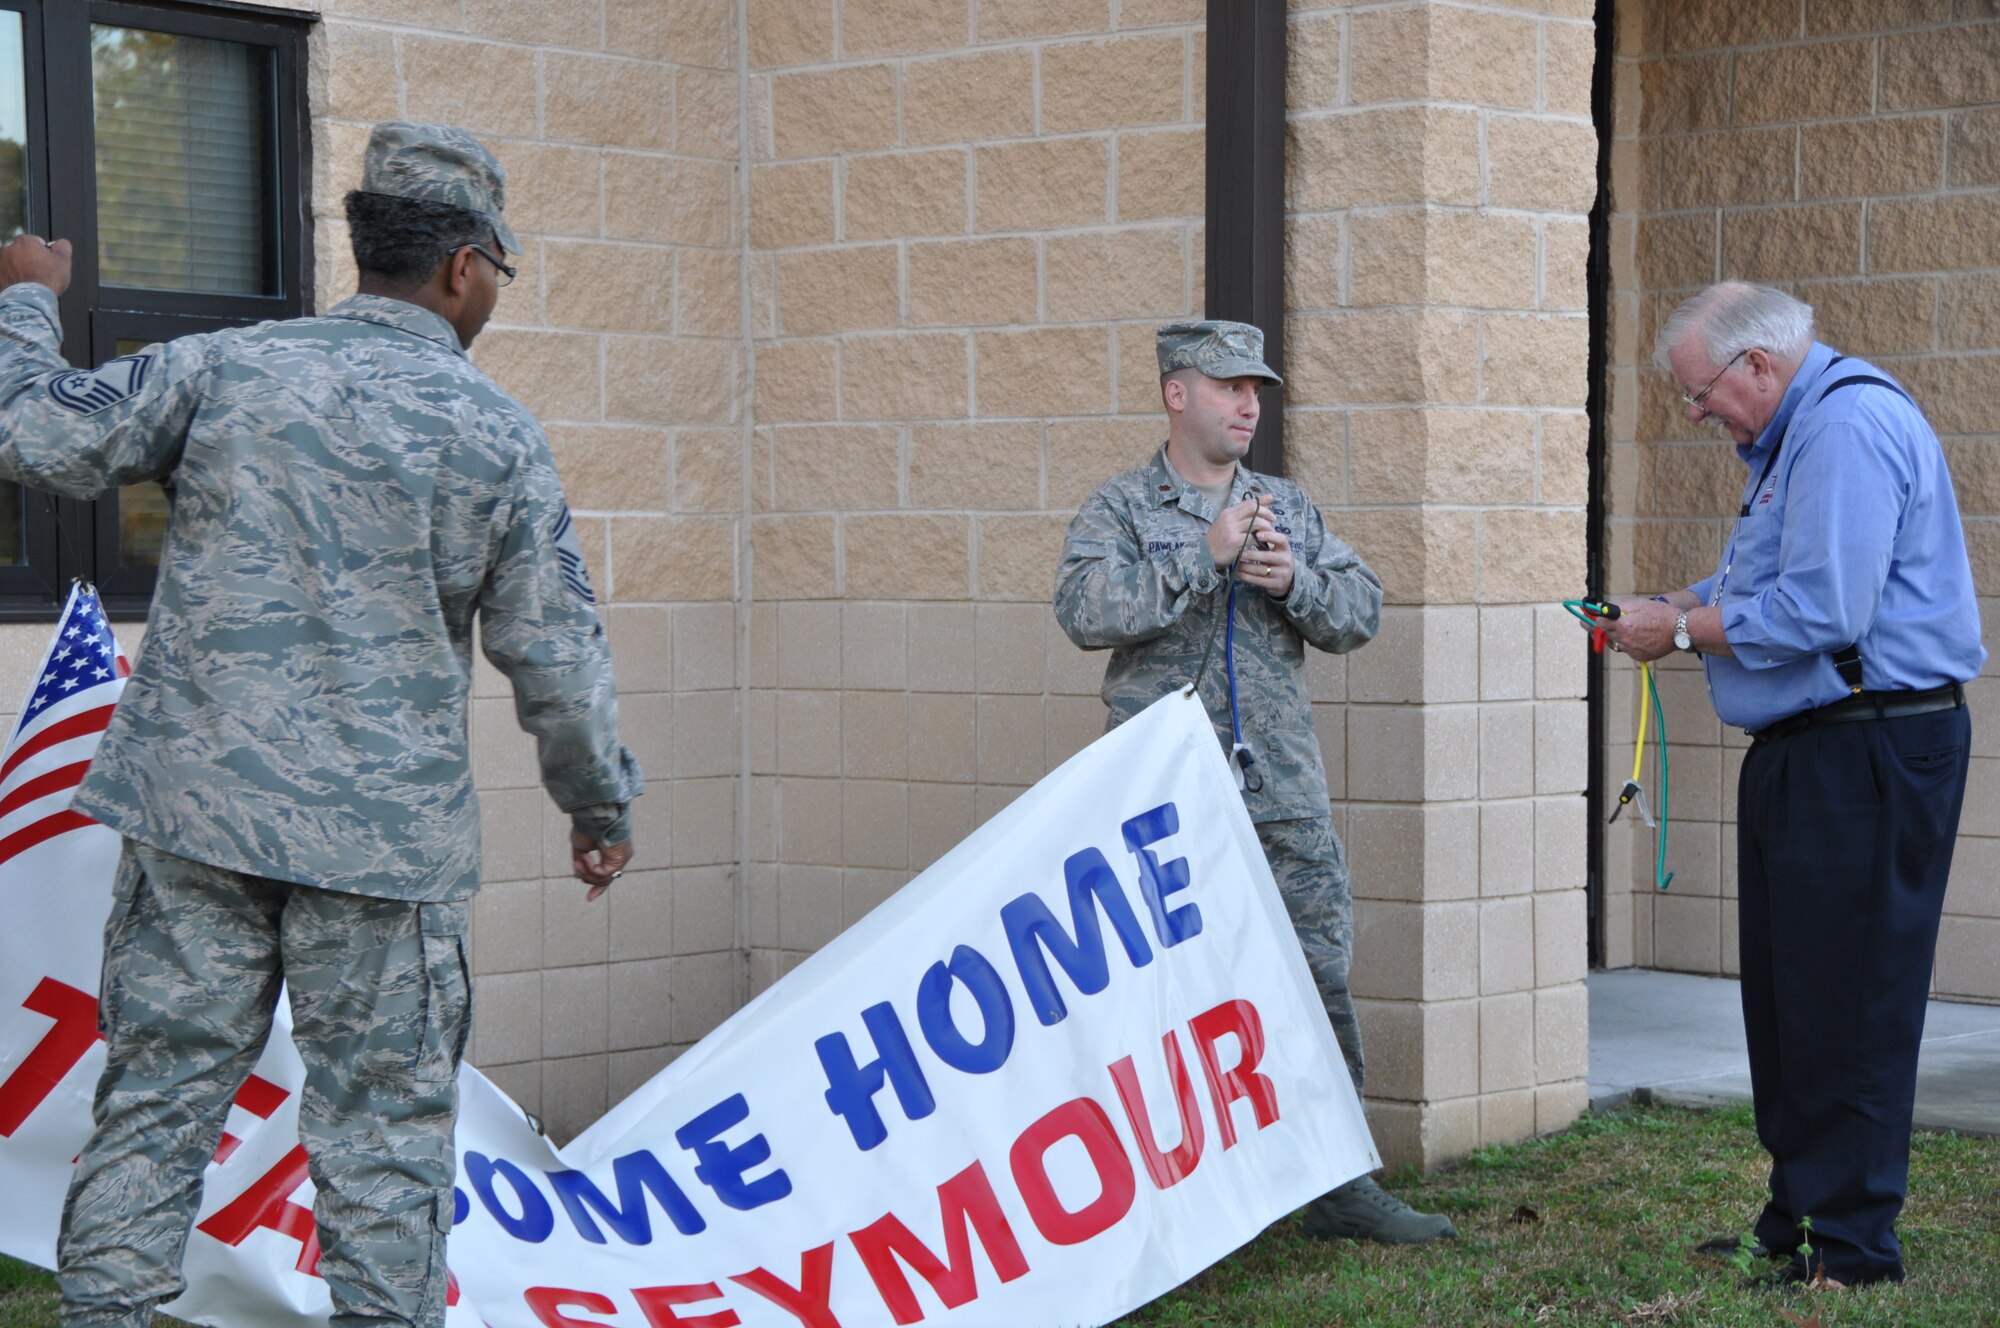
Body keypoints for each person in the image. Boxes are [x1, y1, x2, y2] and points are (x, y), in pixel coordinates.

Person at [0, 121, 644, 1327]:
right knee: (386, 1146)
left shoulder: (223, 368)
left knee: (154, 1106)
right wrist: (598, 808)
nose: (495, 287)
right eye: (499, 265)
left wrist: (28, 304)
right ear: (462, 264)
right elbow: (557, 656)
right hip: (382, 855)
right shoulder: (496, 433)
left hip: (198, 824)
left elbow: (38, 434)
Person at [1602, 281, 1982, 1289]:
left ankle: (1854, 1254)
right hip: (1810, 744)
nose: (1693, 414)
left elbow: (1822, 604)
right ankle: (1798, 1213)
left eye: (1697, 393)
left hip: (1867, 746)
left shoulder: (1846, 426)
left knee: (1848, 998)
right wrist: (1673, 598)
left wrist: (1676, 632)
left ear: (1756, 367)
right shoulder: (1793, 435)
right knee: (1789, 995)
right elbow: (1768, 571)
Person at [1053, 319, 1454, 1244]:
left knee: (1314, 975)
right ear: (1175, 393)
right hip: (1160, 804)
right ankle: (1161, 1202)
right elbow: (1083, 610)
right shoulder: (1122, 508)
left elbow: (1361, 614)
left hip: (1278, 793)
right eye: (1228, 385)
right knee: (1158, 994)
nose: (1247, 405)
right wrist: (1206, 557)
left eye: (1256, 390)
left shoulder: (1285, 506)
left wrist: (1293, 580)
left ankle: (1338, 1185)